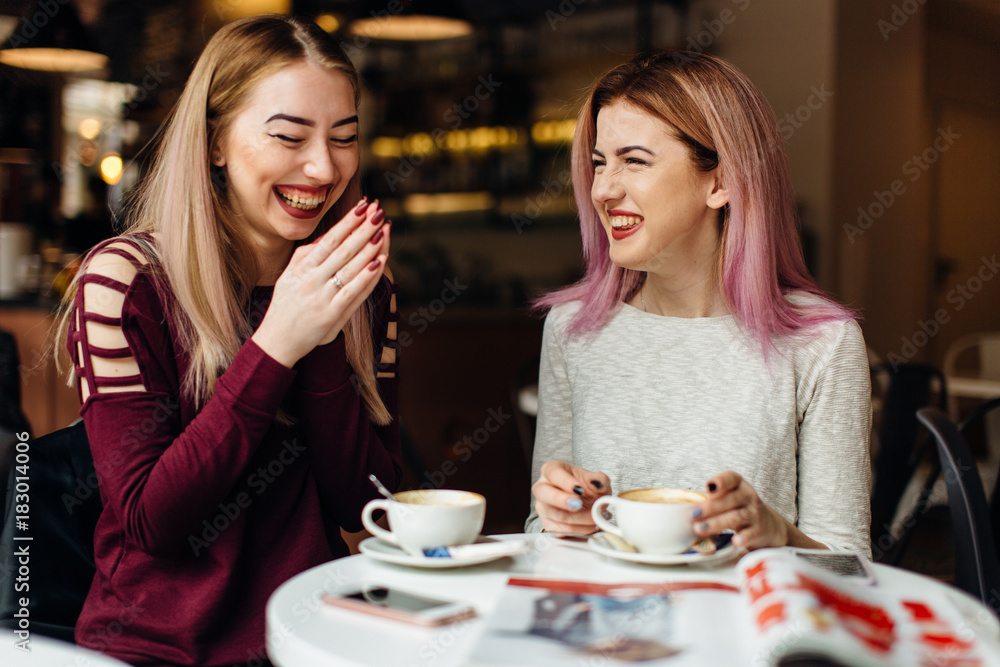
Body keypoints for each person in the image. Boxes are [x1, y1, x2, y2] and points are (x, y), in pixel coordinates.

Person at [55, 15, 400, 666]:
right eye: (289, 136)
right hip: (158, 650)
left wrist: (320, 323)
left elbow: (365, 502)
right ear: (215, 142)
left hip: (316, 641)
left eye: (345, 137)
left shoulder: (364, 288)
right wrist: (278, 343)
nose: (323, 166)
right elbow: (153, 521)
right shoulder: (125, 281)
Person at [525, 51, 871, 556]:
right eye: (599, 163)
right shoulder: (572, 330)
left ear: (722, 180)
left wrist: (778, 535)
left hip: (746, 630)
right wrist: (562, 519)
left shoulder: (823, 343)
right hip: (606, 628)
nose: (602, 188)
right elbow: (540, 532)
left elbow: (850, 570)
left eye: (634, 161)